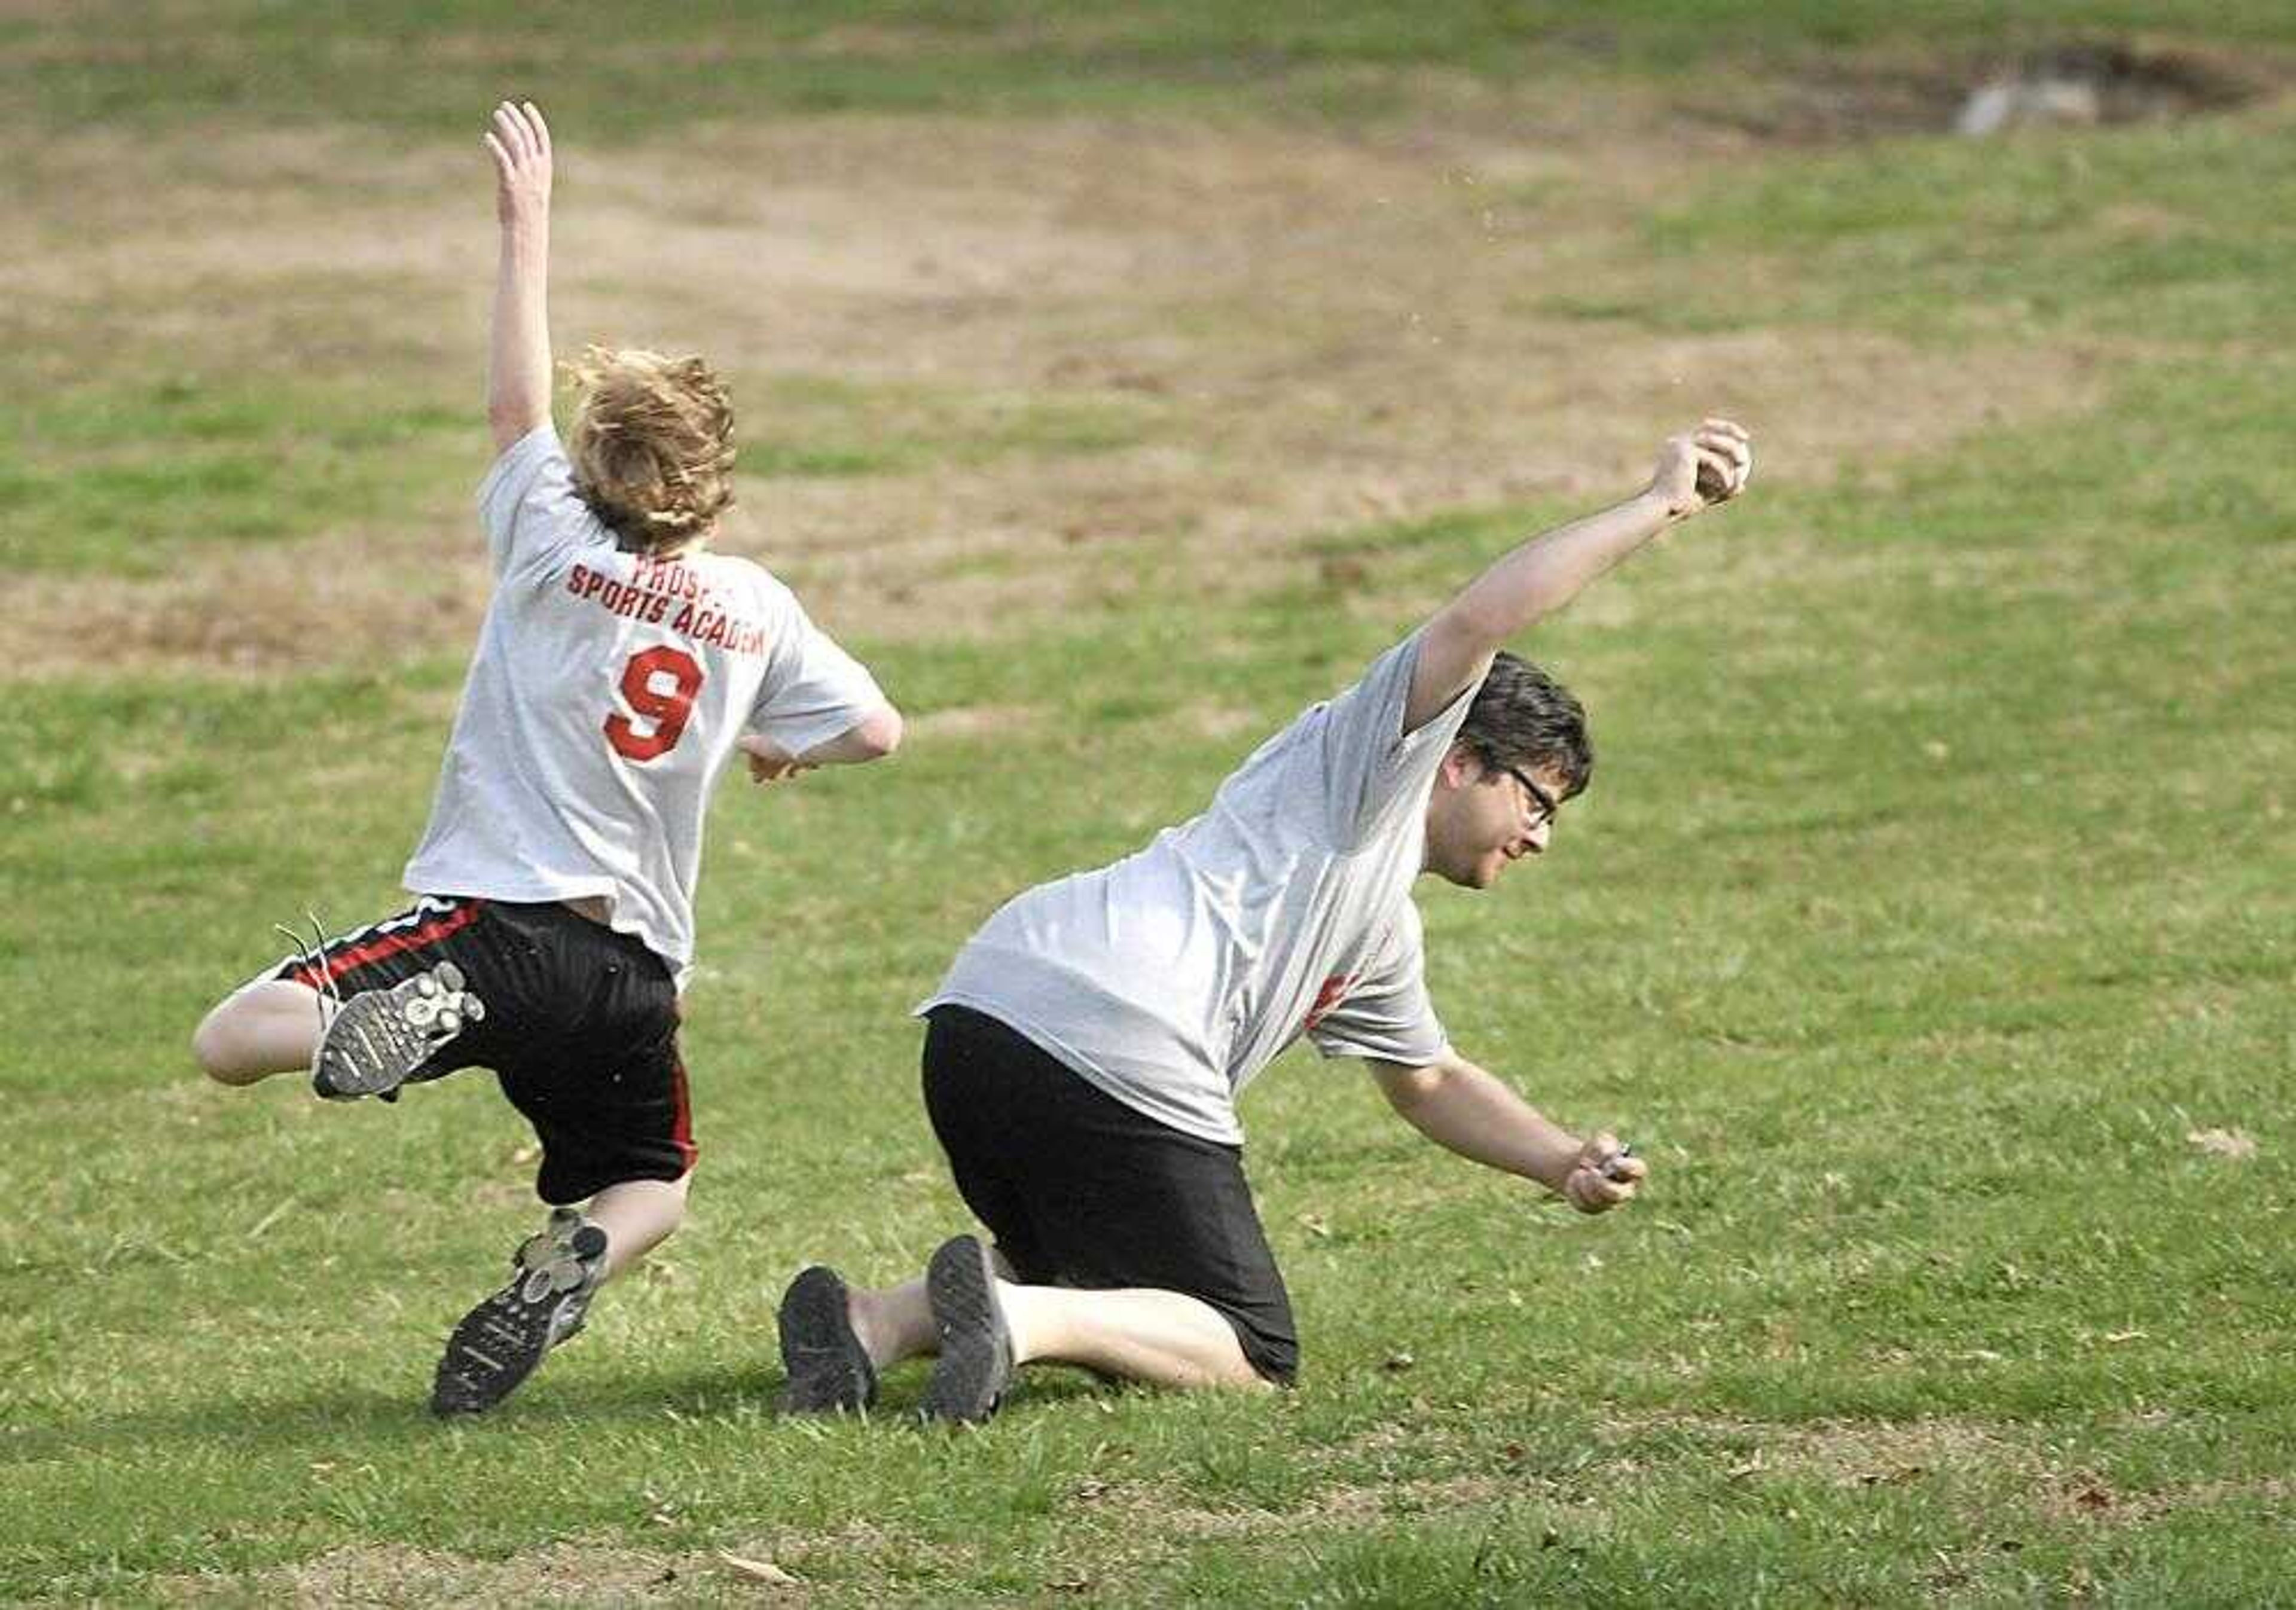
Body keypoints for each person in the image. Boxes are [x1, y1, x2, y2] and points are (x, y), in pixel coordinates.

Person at [775, 418, 1751, 1422]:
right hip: (1118, 1030)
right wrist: (1658, 507)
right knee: (1248, 1347)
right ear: (1460, 760)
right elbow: (1476, 623)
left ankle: (868, 1324)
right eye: (1537, 804)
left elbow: (1430, 1080)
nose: (1540, 838)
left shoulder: (1375, 926)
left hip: (981, 1021)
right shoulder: (1377, 764)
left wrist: (1561, 1162)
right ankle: (1020, 1327)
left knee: (1111, 1275)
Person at [191, 100, 902, 1416]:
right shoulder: (755, 608)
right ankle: (570, 1263)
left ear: (591, 467)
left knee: (233, 1037)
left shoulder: (548, 536)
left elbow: (513, 396)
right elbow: (873, 728)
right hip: (632, 971)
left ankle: (395, 1018)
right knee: (652, 1183)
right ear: (718, 487)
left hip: (494, 934)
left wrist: (526, 222)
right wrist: (768, 738)